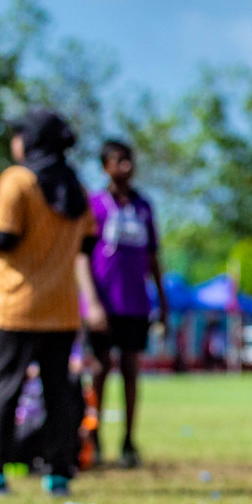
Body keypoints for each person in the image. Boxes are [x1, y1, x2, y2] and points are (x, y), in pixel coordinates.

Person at [0, 110, 103, 498]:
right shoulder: (76, 186)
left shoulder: (16, 180)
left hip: (18, 305)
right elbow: (88, 243)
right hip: (61, 308)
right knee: (60, 394)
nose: (13, 142)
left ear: (32, 140)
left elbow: (5, 237)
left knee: (7, 389)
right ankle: (59, 474)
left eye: (18, 134)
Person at [86, 139, 167, 468]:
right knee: (100, 370)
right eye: (119, 160)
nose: (126, 166)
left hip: (135, 305)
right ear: (105, 166)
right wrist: (90, 302)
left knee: (131, 371)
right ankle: (92, 438)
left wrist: (162, 300)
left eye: (130, 160)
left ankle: (129, 441)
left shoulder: (144, 207)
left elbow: (153, 257)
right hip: (103, 305)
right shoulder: (95, 205)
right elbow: (82, 255)